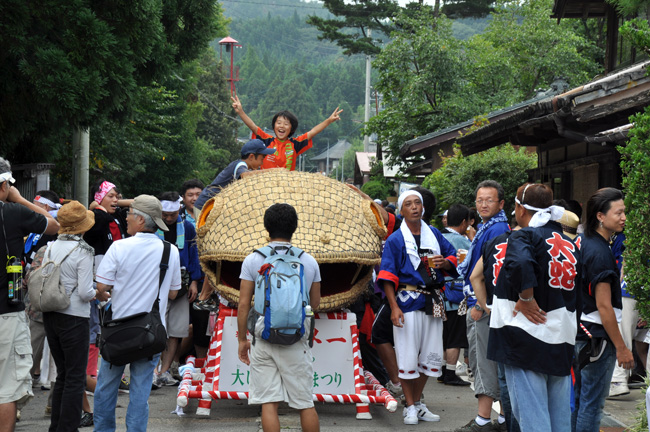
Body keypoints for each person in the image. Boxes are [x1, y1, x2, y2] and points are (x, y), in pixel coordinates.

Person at [487, 184, 578, 432]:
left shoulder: (523, 235)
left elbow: (519, 262)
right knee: (559, 415)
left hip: (524, 336)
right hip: (561, 336)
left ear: (519, 208)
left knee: (531, 416)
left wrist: (526, 297)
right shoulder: (569, 242)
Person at [93, 195, 181, 432]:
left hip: (118, 332)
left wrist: (111, 292)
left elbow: (102, 287)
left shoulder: (119, 246)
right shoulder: (170, 251)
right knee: (140, 393)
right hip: (151, 332)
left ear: (141, 220)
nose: (127, 218)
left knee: (105, 389)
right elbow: (173, 294)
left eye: (130, 214)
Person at [237, 203, 321, 432]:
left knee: (269, 403)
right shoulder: (309, 261)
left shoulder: (253, 260)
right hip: (296, 337)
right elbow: (314, 304)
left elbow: (244, 304)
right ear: (295, 227)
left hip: (264, 336)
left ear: (267, 227)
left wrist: (242, 340)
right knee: (305, 403)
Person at [377, 190, 458, 425]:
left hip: (432, 301)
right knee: (407, 355)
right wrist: (393, 307)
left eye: (417, 203)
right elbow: (387, 276)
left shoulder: (433, 233)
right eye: (408, 204)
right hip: (407, 300)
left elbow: (452, 255)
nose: (414, 207)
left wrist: (446, 262)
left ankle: (419, 403)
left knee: (431, 356)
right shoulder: (395, 239)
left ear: (422, 208)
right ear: (401, 211)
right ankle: (410, 405)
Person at [0, 157, 59, 432]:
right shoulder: (13, 213)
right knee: (7, 389)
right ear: (4, 186)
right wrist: (18, 198)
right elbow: (54, 224)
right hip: (6, 316)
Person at [572, 188, 633, 432]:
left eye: (624, 212)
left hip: (579, 331)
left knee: (578, 400)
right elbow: (604, 306)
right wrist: (621, 347)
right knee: (592, 404)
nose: (623, 218)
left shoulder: (582, 242)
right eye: (618, 213)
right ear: (600, 215)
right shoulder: (599, 252)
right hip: (597, 336)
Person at [455, 180, 510, 432]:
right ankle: (500, 418)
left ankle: (483, 420)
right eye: (479, 200)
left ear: (501, 203)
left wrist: (479, 302)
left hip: (483, 304)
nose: (483, 204)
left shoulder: (495, 229)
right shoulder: (491, 227)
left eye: (489, 200)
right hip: (489, 303)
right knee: (491, 359)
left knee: (483, 359)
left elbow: (491, 272)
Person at [41, 201, 96, 432]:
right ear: (82, 227)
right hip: (74, 317)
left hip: (51, 314)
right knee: (75, 376)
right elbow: (85, 292)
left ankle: (57, 427)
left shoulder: (50, 247)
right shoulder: (84, 251)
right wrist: (98, 293)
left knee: (63, 375)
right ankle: (68, 428)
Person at [154, 191, 201, 386]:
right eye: (164, 214)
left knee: (176, 329)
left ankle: (165, 370)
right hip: (158, 283)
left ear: (179, 210)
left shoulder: (188, 228)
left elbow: (193, 254)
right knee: (157, 327)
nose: (168, 218)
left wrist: (194, 282)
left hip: (182, 282)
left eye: (172, 214)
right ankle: (154, 371)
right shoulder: (153, 227)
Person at [231, 95, 342, 171]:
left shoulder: (295, 144)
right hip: (266, 184)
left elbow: (313, 132)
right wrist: (240, 112)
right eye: (278, 123)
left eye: (286, 124)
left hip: (287, 186)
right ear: (274, 126)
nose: (282, 126)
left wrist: (329, 120)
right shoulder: (267, 140)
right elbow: (253, 127)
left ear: (291, 129)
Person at [194, 139, 275, 214]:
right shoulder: (240, 165)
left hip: (213, 207)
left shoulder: (244, 167)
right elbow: (246, 175)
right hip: (205, 206)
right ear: (251, 157)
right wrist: (270, 172)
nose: (262, 163)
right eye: (262, 158)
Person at [441, 204, 471, 386]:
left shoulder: (437, 236)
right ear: (463, 222)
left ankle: (443, 370)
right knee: (455, 337)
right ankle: (450, 373)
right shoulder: (463, 242)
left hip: (439, 294)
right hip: (456, 296)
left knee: (444, 335)